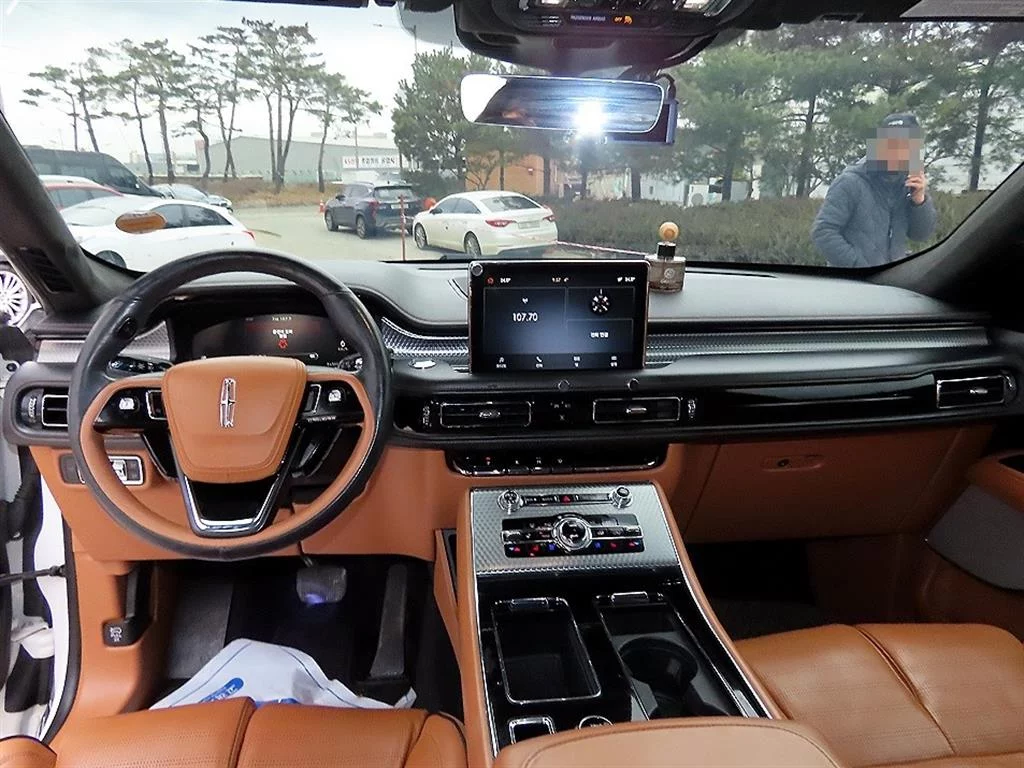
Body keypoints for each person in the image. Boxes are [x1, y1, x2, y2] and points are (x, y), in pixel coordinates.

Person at [811, 113, 937, 268]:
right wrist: (859, 266)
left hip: (892, 277)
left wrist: (919, 202)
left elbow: (920, 235)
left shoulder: (908, 184)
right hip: (851, 279)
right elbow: (823, 232)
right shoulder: (850, 182)